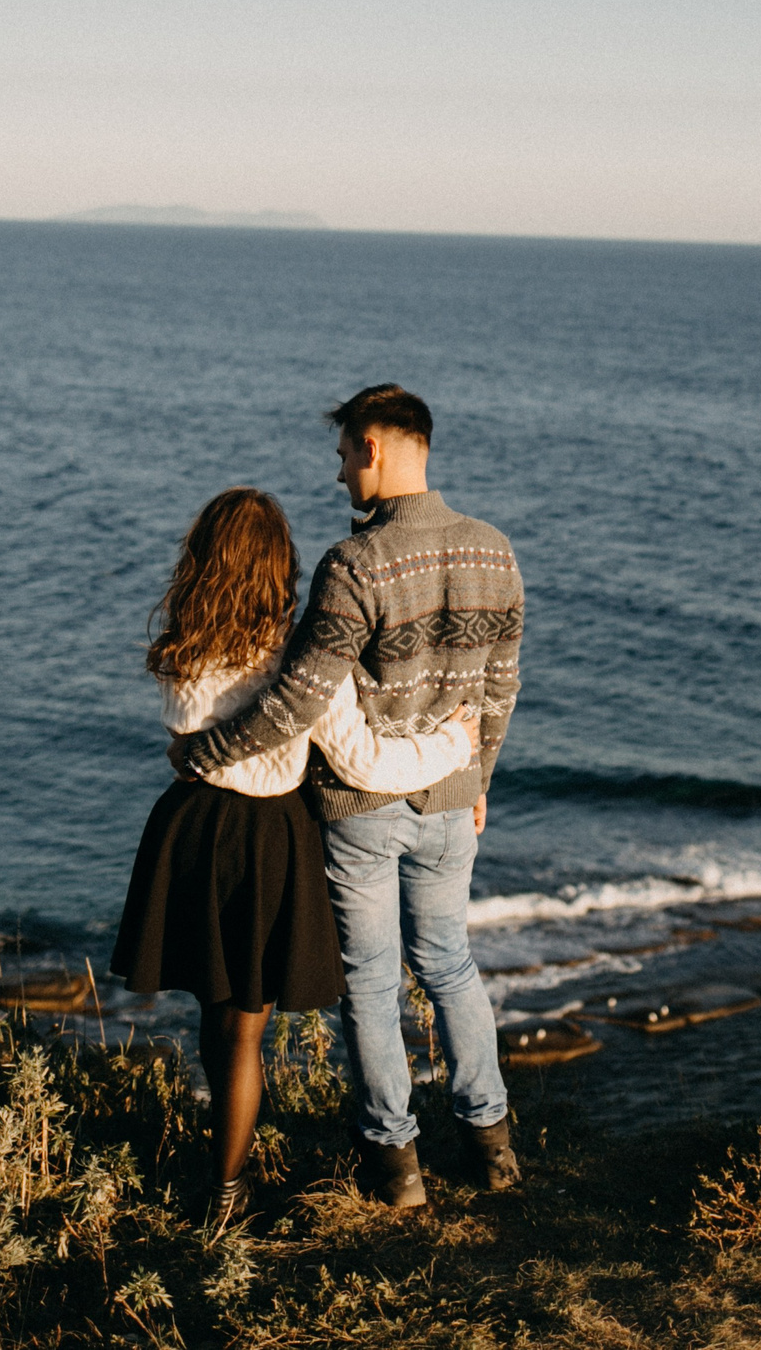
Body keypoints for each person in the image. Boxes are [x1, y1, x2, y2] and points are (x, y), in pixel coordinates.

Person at [171, 385, 525, 1208]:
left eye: (341, 458)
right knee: (449, 962)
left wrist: (206, 752)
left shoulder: (354, 563)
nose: (338, 477)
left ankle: (394, 1165)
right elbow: (501, 686)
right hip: (450, 801)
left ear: (372, 447)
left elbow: (296, 702)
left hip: (360, 811)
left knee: (370, 979)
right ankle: (492, 1143)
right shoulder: (493, 550)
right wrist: (481, 779)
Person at [111, 485, 479, 1229]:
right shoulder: (301, 656)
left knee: (216, 1017)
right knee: (249, 1026)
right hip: (264, 838)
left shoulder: (183, 641)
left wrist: (193, 749)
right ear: (279, 564)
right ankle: (227, 1191)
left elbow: (186, 734)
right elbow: (364, 761)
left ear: (203, 560)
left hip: (190, 829)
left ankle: (224, 1165)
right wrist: (455, 745)